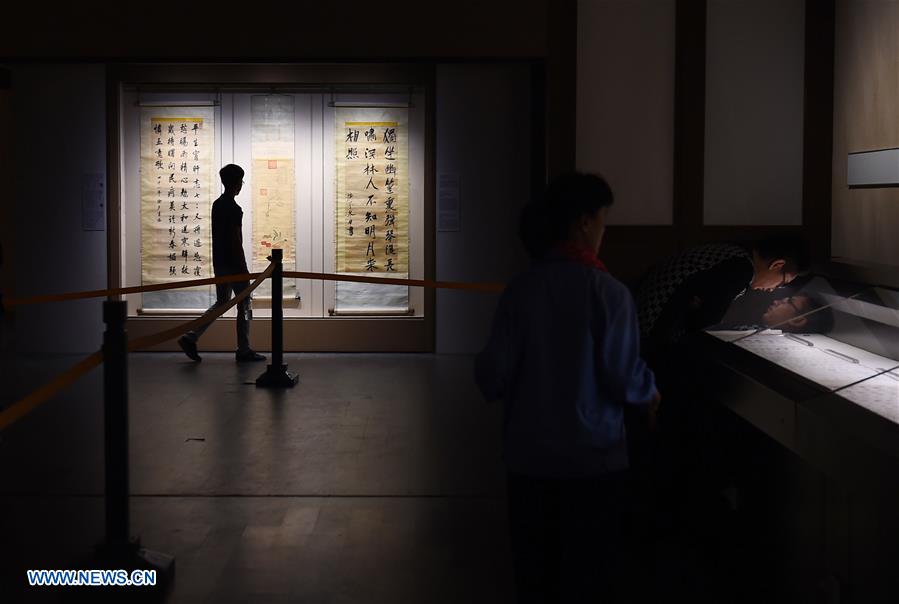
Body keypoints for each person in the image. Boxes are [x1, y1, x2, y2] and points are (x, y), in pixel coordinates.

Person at [475, 173, 659, 604]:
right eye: (602, 222)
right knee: (589, 576)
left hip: (529, 459)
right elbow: (623, 377)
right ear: (582, 223)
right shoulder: (610, 294)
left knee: (535, 575)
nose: (602, 233)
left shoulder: (522, 290)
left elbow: (491, 374)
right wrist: (650, 393)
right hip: (594, 463)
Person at [634, 235, 810, 359]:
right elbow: (704, 323)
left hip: (640, 319)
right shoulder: (741, 269)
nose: (774, 290)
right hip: (650, 335)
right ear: (777, 265)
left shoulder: (735, 253)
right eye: (781, 283)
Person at [178, 164, 265, 363]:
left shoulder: (217, 205)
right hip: (235, 265)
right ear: (236, 184)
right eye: (240, 181)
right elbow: (236, 241)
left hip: (220, 263)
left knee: (222, 302)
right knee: (244, 303)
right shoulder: (235, 209)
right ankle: (243, 349)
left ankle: (191, 336)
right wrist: (243, 268)